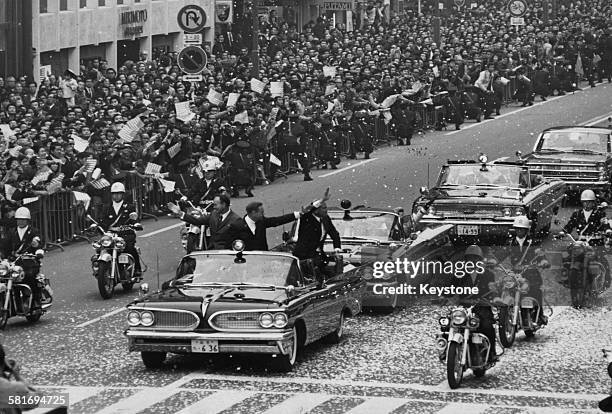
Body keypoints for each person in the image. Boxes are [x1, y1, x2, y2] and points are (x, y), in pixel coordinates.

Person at [496, 216, 547, 325]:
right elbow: (501, 254)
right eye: (517, 228)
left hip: (531, 272)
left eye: (522, 229)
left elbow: (540, 253)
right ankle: (503, 312)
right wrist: (492, 260)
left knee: (535, 290)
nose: (519, 231)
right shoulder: (510, 242)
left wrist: (543, 261)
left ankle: (539, 315)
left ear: (527, 230)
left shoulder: (533, 242)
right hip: (515, 273)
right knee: (503, 286)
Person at [451, 245, 498, 363]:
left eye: (475, 258)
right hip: (463, 307)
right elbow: (450, 288)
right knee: (448, 324)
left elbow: (493, 290)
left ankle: (492, 352)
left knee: (487, 326)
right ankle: (446, 349)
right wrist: (443, 296)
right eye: (469, 258)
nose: (472, 261)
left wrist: (493, 297)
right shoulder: (459, 274)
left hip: (481, 307)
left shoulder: (488, 274)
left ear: (480, 260)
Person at [292, 192, 341, 277]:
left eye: (326, 208)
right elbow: (307, 210)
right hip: (304, 258)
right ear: (316, 210)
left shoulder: (325, 218)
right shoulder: (306, 218)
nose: (326, 210)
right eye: (323, 208)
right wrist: (322, 200)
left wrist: (337, 249)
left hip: (318, 257)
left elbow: (334, 234)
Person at [168, 193, 242, 250]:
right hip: (210, 251)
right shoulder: (214, 214)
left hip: (226, 253)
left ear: (224, 204)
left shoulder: (236, 220)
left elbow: (239, 242)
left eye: (216, 205)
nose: (214, 207)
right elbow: (197, 221)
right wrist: (180, 213)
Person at [5, 207, 44, 312]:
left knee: (30, 277)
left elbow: (39, 242)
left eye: (23, 219)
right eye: (18, 219)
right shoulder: (11, 232)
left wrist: (38, 249)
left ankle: (36, 301)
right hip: (14, 262)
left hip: (29, 262)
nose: (20, 221)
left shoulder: (33, 231)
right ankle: (12, 304)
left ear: (27, 220)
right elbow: (5, 247)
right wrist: (4, 256)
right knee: (5, 278)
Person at [100, 182, 142, 277]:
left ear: (123, 194)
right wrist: (96, 226)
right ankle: (101, 267)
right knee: (101, 248)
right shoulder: (106, 207)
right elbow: (102, 220)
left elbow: (135, 219)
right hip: (111, 234)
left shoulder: (129, 207)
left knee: (130, 248)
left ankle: (137, 268)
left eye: (119, 193)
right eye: (114, 193)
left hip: (125, 234)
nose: (117, 196)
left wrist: (136, 224)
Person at [231, 201, 303, 251]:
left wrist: (297, 214)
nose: (263, 214)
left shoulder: (262, 221)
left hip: (263, 259)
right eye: (261, 212)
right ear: (253, 213)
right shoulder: (237, 226)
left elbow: (277, 220)